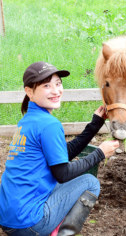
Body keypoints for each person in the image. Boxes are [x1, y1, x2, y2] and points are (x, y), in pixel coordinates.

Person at [0, 61, 119, 236]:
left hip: (9, 220)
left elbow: (62, 154)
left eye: (58, 83)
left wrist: (94, 125)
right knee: (90, 182)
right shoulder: (49, 124)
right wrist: (100, 153)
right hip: (30, 225)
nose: (56, 91)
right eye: (46, 85)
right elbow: (62, 174)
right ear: (29, 92)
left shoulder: (28, 120)